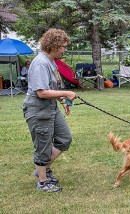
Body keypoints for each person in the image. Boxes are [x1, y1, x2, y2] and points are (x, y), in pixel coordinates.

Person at [22, 28, 77, 192]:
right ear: (54, 45)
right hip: (38, 110)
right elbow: (41, 92)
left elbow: (51, 87)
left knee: (64, 138)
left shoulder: (50, 61)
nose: (64, 49)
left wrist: (62, 99)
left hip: (50, 107)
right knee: (43, 147)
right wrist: (66, 93)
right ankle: (43, 182)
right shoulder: (40, 63)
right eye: (63, 46)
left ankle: (42, 169)